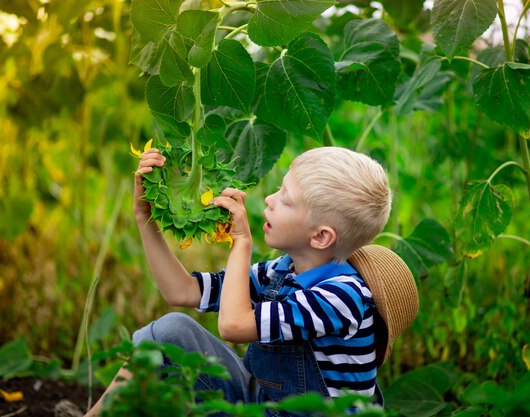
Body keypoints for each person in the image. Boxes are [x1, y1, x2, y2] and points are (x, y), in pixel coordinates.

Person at [85, 146, 398, 416]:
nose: (270, 200)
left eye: (287, 201)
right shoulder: (282, 271)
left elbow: (233, 326)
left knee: (169, 335)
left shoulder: (341, 297)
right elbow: (181, 291)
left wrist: (241, 245)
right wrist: (145, 218)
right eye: (279, 189)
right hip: (269, 407)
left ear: (320, 236)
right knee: (169, 332)